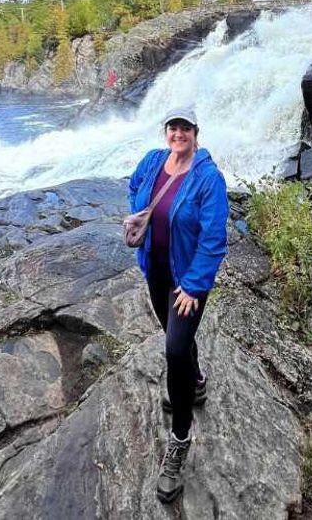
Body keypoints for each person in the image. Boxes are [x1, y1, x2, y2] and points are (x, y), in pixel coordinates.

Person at [127, 106, 229, 503]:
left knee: (173, 351)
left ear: (195, 133)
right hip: (155, 270)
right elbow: (134, 184)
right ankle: (197, 380)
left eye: (185, 127)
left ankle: (179, 441)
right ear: (166, 132)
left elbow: (214, 238)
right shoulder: (153, 162)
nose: (178, 133)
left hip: (187, 283)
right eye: (173, 127)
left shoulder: (208, 178)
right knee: (176, 338)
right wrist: (138, 215)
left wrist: (193, 286)